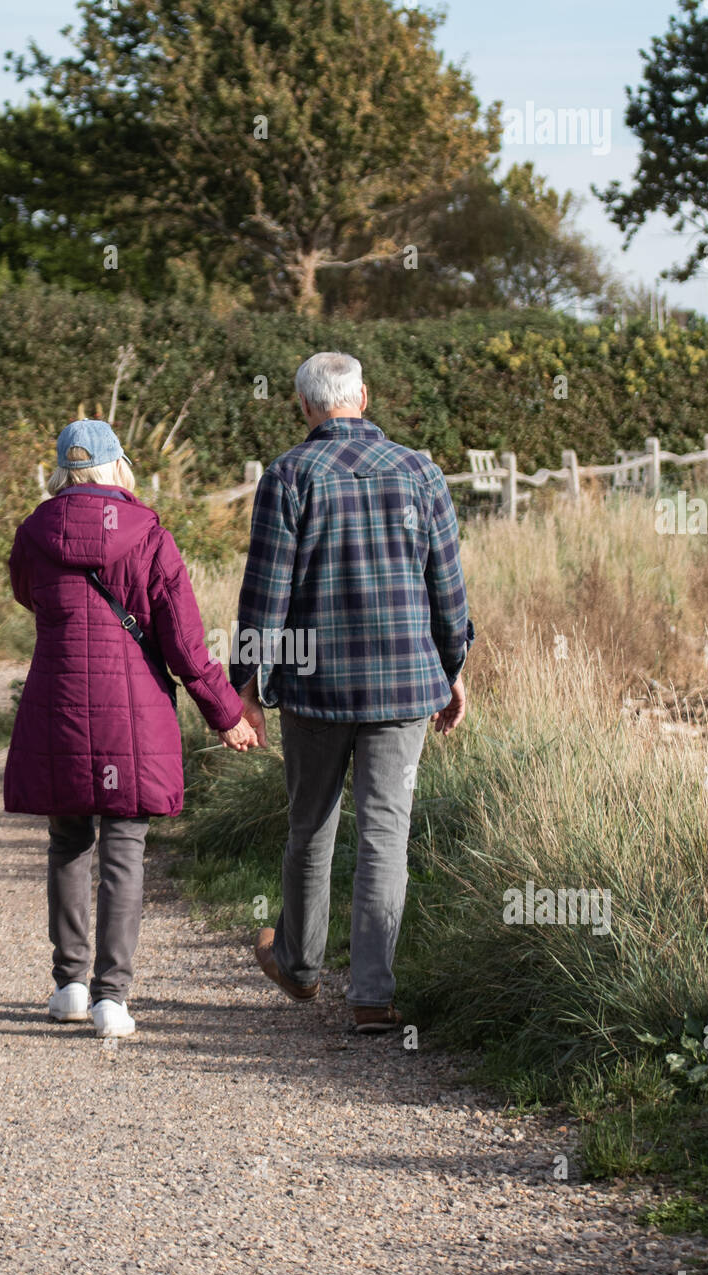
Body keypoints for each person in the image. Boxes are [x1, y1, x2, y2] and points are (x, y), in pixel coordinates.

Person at [229, 352, 474, 1034]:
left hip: (315, 686)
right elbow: (446, 591)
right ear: (363, 396)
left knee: (310, 826)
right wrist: (453, 669)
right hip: (403, 686)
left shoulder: (289, 475)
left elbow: (265, 596)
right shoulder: (421, 471)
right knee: (385, 838)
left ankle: (301, 969)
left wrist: (245, 688)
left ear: (305, 406)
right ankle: (371, 998)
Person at [4, 419, 257, 1037]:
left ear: (63, 471)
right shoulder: (148, 535)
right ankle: (111, 997)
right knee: (125, 848)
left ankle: (68, 985)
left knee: (67, 840)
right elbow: (185, 645)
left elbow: (27, 595)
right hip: (133, 711)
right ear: (119, 466)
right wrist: (227, 713)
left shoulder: (35, 533)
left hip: (59, 704)